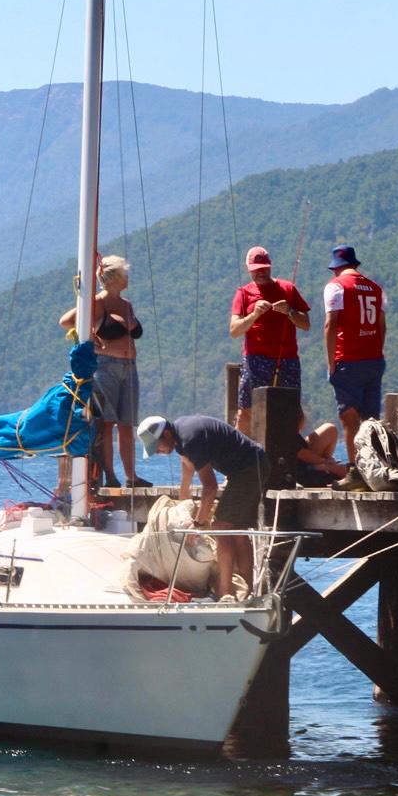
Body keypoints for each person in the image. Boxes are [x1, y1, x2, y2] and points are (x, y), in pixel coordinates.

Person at [137, 413, 265, 601]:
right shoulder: (181, 434)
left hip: (249, 469)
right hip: (251, 465)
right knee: (238, 531)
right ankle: (248, 590)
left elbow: (210, 487)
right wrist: (183, 501)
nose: (157, 451)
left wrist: (197, 524)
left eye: (157, 446)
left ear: (166, 434)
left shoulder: (190, 439)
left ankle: (225, 592)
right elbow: (187, 465)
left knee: (220, 527)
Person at [60, 255, 148, 488]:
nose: (127, 277)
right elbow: (65, 321)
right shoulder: (97, 302)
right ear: (114, 277)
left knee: (127, 424)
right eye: (124, 273)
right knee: (107, 422)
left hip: (129, 367)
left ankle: (131, 476)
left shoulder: (127, 305)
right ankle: (111, 475)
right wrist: (91, 340)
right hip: (106, 366)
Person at [228, 246, 309, 436]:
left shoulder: (288, 289)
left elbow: (305, 324)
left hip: (287, 360)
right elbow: (234, 330)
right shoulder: (243, 293)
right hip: (255, 360)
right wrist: (254, 314)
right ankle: (241, 451)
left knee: (293, 413)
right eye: (256, 269)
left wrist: (289, 311)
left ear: (270, 266)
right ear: (248, 269)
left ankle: (287, 448)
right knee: (246, 411)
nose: (260, 273)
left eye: (264, 268)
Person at [321, 244, 385, 458]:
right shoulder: (375, 288)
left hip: (347, 359)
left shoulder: (336, 286)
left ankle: (354, 468)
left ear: (335, 267)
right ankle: (375, 465)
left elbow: (330, 325)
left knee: (349, 418)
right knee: (371, 420)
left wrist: (331, 362)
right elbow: (382, 326)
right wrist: (378, 352)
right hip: (374, 360)